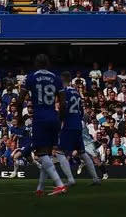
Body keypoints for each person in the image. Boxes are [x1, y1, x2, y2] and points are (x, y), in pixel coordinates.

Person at [17, 54, 68, 196]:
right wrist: (61, 119)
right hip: (54, 117)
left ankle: (59, 184)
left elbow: (20, 100)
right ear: (48, 64)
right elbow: (63, 103)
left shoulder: (31, 77)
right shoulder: (56, 78)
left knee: (40, 153)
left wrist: (20, 117)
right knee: (47, 155)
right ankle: (40, 188)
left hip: (40, 118)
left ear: (36, 64)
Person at [58, 72, 100, 186]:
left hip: (68, 125)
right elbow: (82, 111)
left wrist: (61, 119)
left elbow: (62, 107)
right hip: (77, 125)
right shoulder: (76, 93)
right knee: (83, 153)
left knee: (60, 153)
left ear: (62, 80)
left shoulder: (64, 92)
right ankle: (95, 178)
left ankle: (71, 179)